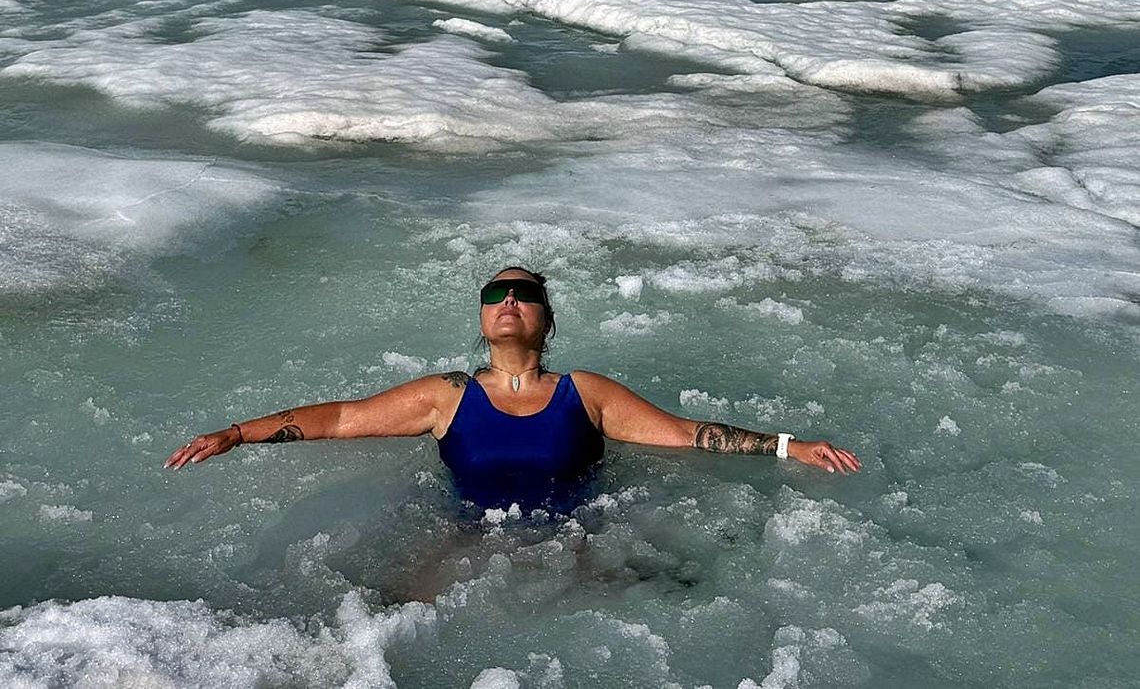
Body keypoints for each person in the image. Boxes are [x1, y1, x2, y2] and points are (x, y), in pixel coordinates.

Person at [165, 266, 860, 510]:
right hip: (467, 537)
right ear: (480, 314)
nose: (507, 300)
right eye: (495, 292)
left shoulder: (583, 393)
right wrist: (237, 433)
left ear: (545, 319)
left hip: (580, 539)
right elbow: (345, 419)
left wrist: (789, 447)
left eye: (523, 293)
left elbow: (683, 434)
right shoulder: (446, 396)